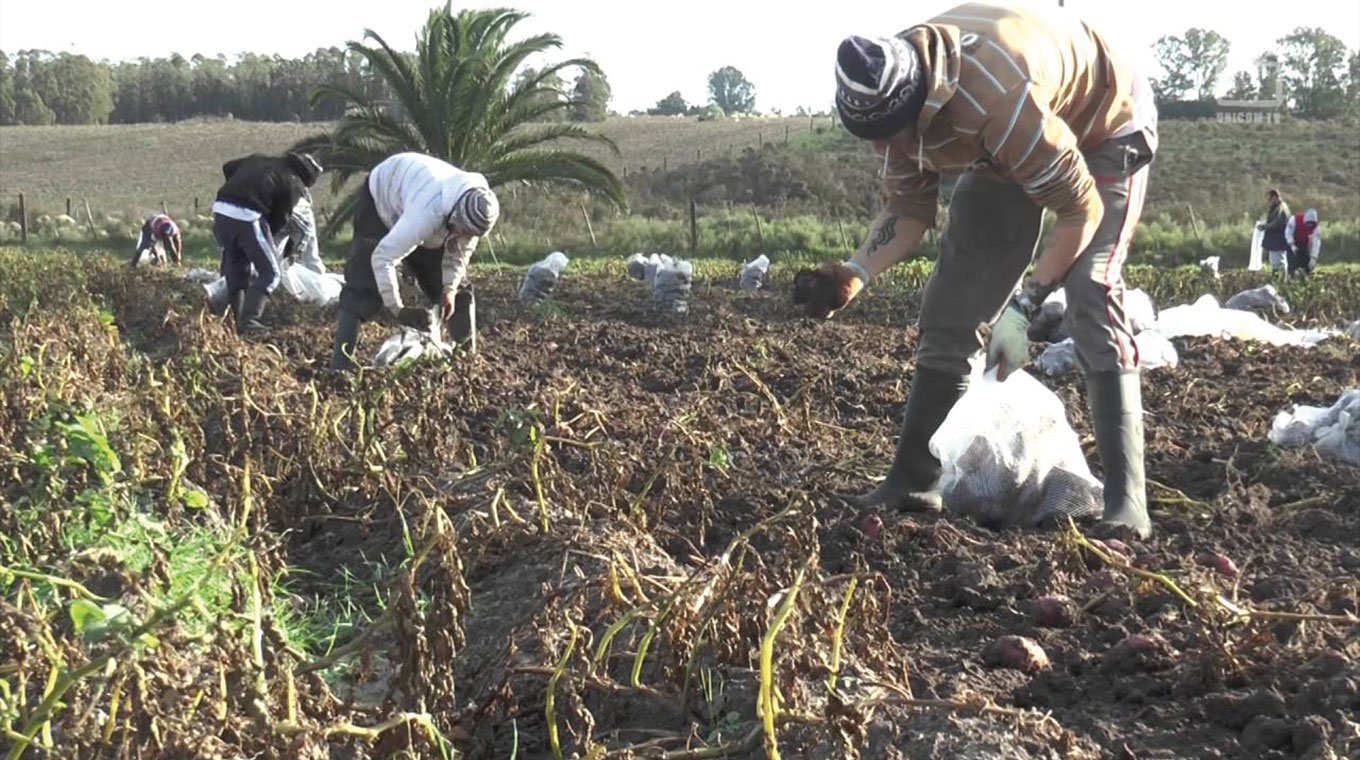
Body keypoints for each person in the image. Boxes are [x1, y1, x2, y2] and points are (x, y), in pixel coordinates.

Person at [793, 1, 1158, 538]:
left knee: (1090, 288)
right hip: (1006, 150)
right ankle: (915, 478)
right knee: (951, 305)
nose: (879, 147)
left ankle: (1128, 502)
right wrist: (853, 272)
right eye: (869, 134)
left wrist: (1023, 308)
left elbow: (1082, 211)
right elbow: (907, 213)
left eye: (887, 134)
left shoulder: (999, 101)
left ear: (916, 106)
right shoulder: (892, 88)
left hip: (1105, 126)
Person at [330, 152, 499, 370]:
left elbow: (459, 254)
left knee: (458, 293)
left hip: (421, 209)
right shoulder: (427, 212)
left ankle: (465, 365)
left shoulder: (476, 213)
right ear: (454, 217)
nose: (464, 237)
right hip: (382, 201)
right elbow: (383, 257)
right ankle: (339, 368)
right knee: (363, 287)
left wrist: (449, 289)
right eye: (462, 231)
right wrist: (398, 309)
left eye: (469, 234)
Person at [211, 151, 323, 333]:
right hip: (248, 216)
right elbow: (280, 219)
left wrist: (237, 188)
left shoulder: (259, 159)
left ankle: (233, 321)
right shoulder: (294, 184)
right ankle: (249, 321)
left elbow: (228, 167)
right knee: (271, 273)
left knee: (238, 270)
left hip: (221, 210)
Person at [1258, 189, 1291, 274]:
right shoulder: (1276, 208)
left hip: (1278, 241)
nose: (1269, 201)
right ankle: (1276, 277)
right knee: (1274, 262)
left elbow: (1277, 223)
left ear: (1275, 197)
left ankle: (1281, 279)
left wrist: (1265, 227)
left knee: (1279, 262)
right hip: (1274, 241)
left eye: (1270, 198)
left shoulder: (1281, 208)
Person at [1284, 208, 1321, 276]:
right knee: (1292, 263)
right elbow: (1288, 233)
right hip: (1292, 242)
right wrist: (1292, 245)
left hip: (1304, 243)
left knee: (1306, 264)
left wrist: (1314, 257)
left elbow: (1316, 242)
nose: (1309, 226)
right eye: (1308, 224)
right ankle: (1291, 277)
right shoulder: (1294, 220)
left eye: (1311, 225)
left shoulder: (1316, 227)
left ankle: (1304, 277)